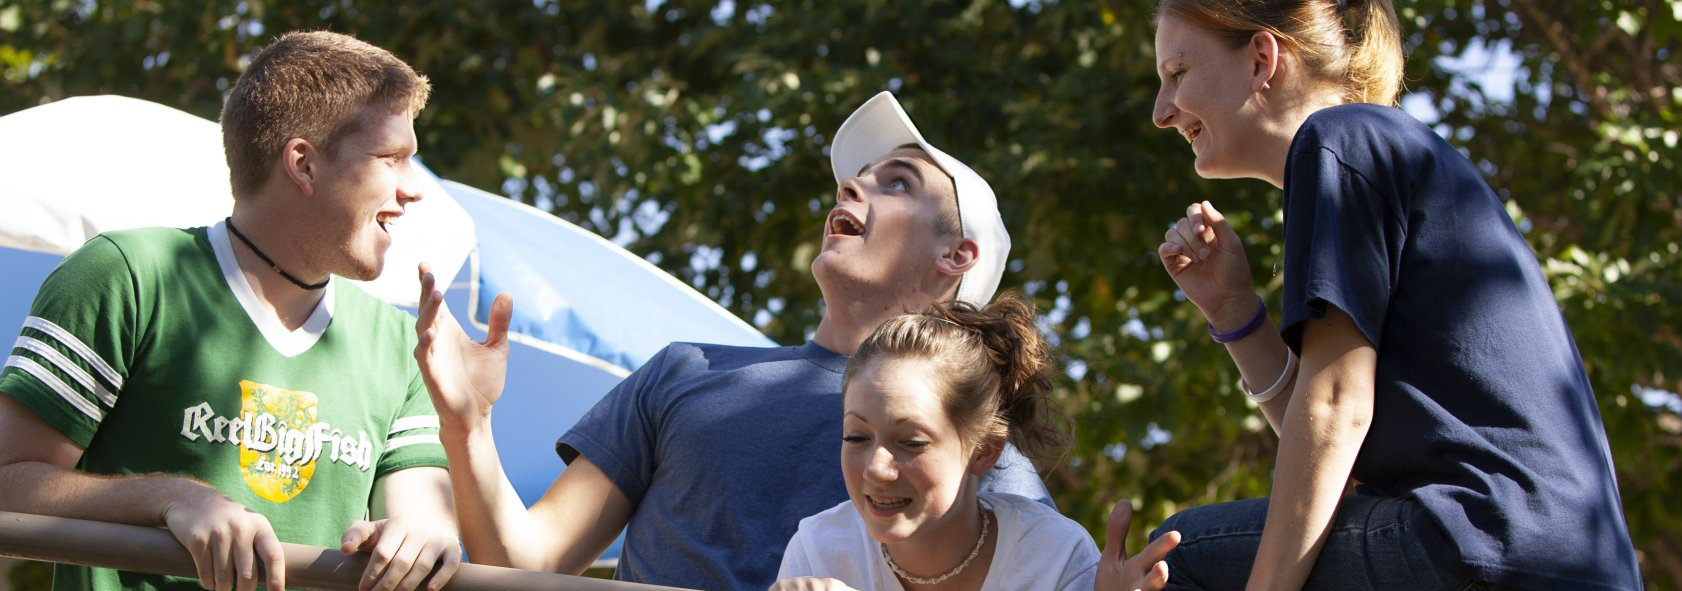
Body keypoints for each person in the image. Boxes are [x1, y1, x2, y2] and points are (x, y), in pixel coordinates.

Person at [412, 91, 1053, 590]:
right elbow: (522, 563)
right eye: (857, 177)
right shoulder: (683, 371)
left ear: (957, 254)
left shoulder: (978, 454)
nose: (850, 186)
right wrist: (468, 427)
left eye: (898, 183)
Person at [1143, 0, 1642, 589]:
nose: (1161, 112)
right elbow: (1344, 453)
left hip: (1484, 537)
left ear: (1261, 60)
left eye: (1177, 73)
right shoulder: (1374, 147)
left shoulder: (1339, 139)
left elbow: (1335, 407)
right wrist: (1235, 314)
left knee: (1177, 559)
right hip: (1553, 557)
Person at [0, 31, 461, 591]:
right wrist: (170, 498)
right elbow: (7, 481)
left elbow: (425, 519)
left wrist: (424, 538)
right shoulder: (127, 275)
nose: (413, 189)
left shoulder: (398, 342)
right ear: (304, 165)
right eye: (392, 159)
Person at [771, 294, 1181, 591]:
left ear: (985, 450)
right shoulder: (818, 548)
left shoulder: (1055, 558)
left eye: (911, 442)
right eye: (857, 436)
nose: (876, 467)